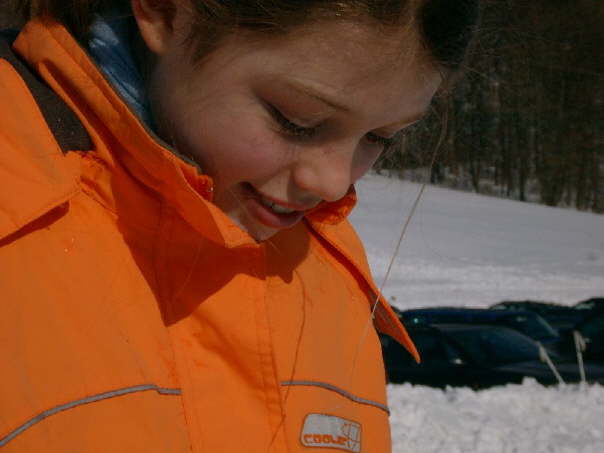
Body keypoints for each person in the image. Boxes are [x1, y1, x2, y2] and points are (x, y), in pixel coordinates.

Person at [0, 0, 479, 451]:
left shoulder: (327, 273)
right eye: (297, 121)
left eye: (379, 138)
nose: (335, 185)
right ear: (165, 11)